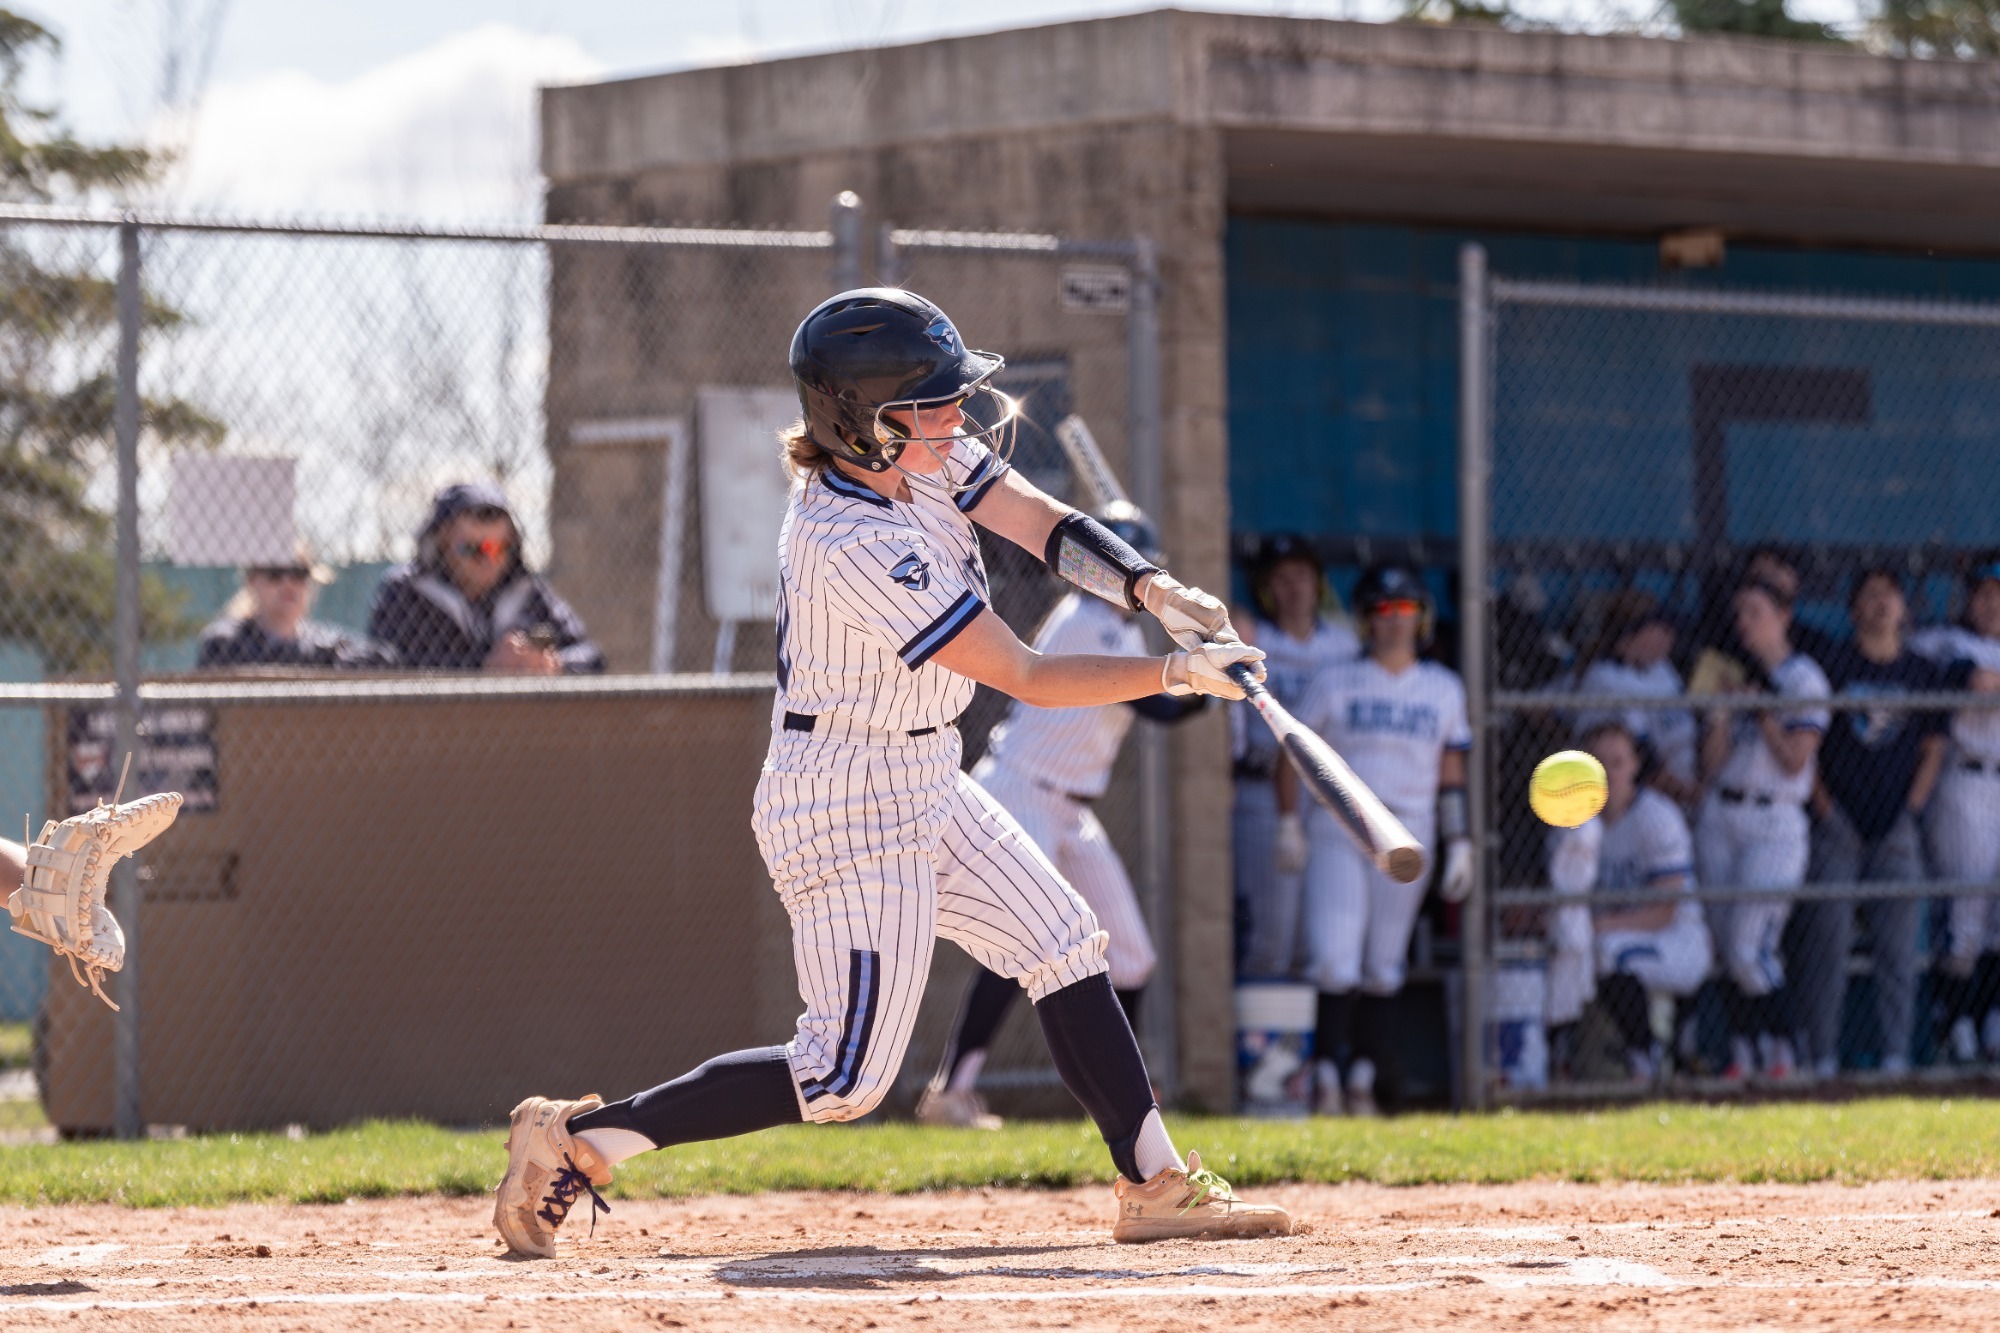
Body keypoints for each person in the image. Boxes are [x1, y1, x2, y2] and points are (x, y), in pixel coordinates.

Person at [491, 288, 1290, 1256]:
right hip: (844, 799)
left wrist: (1149, 588)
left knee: (1060, 939)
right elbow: (1023, 673)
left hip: (924, 772)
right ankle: (574, 1139)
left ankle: (1155, 1182)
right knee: (841, 1080)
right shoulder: (848, 539)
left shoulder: (918, 453)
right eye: (931, 403)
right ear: (862, 421)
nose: (955, 419)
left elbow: (1040, 522)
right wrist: (1174, 669)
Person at [917, 502, 1207, 1130]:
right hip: (1021, 790)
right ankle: (951, 1091)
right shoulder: (1082, 621)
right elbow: (1159, 708)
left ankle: (1121, 1099)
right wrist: (1203, 674)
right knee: (1017, 946)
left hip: (1072, 809)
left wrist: (1202, 672)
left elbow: (1163, 697)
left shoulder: (1124, 634)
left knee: (1131, 956)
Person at [1290, 563, 1471, 1115]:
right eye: (1384, 612)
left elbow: (1451, 768)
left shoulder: (1443, 687)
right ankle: (1325, 1073)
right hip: (1342, 826)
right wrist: (1286, 821)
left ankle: (1364, 1077)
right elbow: (1292, 752)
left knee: (1383, 964)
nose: (1395, 622)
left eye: (1406, 611)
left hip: (1410, 830)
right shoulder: (1336, 681)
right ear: (1367, 620)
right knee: (1335, 960)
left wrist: (1460, 839)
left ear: (1422, 618)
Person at [1791, 568, 1947, 1079]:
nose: (1882, 604)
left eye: (1891, 595)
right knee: (1827, 941)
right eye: (1871, 595)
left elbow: (1932, 747)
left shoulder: (1921, 670)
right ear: (1853, 609)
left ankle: (1896, 1057)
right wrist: (1823, 807)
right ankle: (1822, 1057)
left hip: (1895, 824)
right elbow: (1809, 742)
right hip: (1838, 823)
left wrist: (1912, 809)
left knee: (1898, 947)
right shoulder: (1834, 664)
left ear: (1904, 609)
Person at [1694, 578, 1828, 1081]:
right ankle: (1745, 1052)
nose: (1745, 623)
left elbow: (1796, 761)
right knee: (1729, 950)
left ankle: (1788, 1050)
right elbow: (1710, 766)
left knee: (1752, 950)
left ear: (1783, 616)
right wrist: (1725, 715)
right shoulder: (1731, 673)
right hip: (1721, 815)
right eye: (1740, 614)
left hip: (1775, 821)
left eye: (1756, 612)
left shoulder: (1803, 679)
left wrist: (1764, 713)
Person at [1545, 722, 1712, 1082]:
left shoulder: (1656, 816)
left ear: (1635, 765)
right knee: (1572, 946)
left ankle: (1643, 1058)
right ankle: (1560, 1059)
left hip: (1676, 941)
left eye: (1617, 763)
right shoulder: (1572, 821)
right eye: (1598, 764)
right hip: (1611, 936)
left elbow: (1666, 909)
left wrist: (1596, 928)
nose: (1607, 774)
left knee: (1606, 950)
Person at [1232, 535, 1359, 978]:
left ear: (1318, 583)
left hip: (1322, 798)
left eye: (1302, 577)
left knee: (1315, 934)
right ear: (1265, 587)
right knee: (1272, 934)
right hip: (1261, 791)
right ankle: (1261, 1042)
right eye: (1281, 579)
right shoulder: (1253, 637)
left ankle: (1298, 1043)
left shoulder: (1343, 645)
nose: (1294, 588)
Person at [1910, 557, 2000, 1064]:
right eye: (1984, 594)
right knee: (1964, 913)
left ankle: (1989, 1019)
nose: (1993, 605)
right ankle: (1956, 1022)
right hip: (1964, 782)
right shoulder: (1951, 642)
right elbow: (1974, 683)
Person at [368, 483, 604, 674]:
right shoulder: (406, 591)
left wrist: (555, 665)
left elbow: (590, 656)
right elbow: (389, 662)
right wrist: (483, 667)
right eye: (470, 549)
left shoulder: (529, 593)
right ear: (441, 543)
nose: (487, 561)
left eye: (496, 549)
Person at [1572, 591, 1698, 806]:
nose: (1670, 638)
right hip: (1646, 797)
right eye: (1661, 630)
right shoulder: (1605, 678)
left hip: (1687, 784)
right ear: (1635, 633)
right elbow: (1640, 756)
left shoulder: (1661, 668)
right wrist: (1689, 794)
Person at [196, 542, 394, 669]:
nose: (288, 584)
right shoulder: (226, 643)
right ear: (253, 581)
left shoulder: (324, 645)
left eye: (299, 573)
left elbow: (384, 658)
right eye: (275, 573)